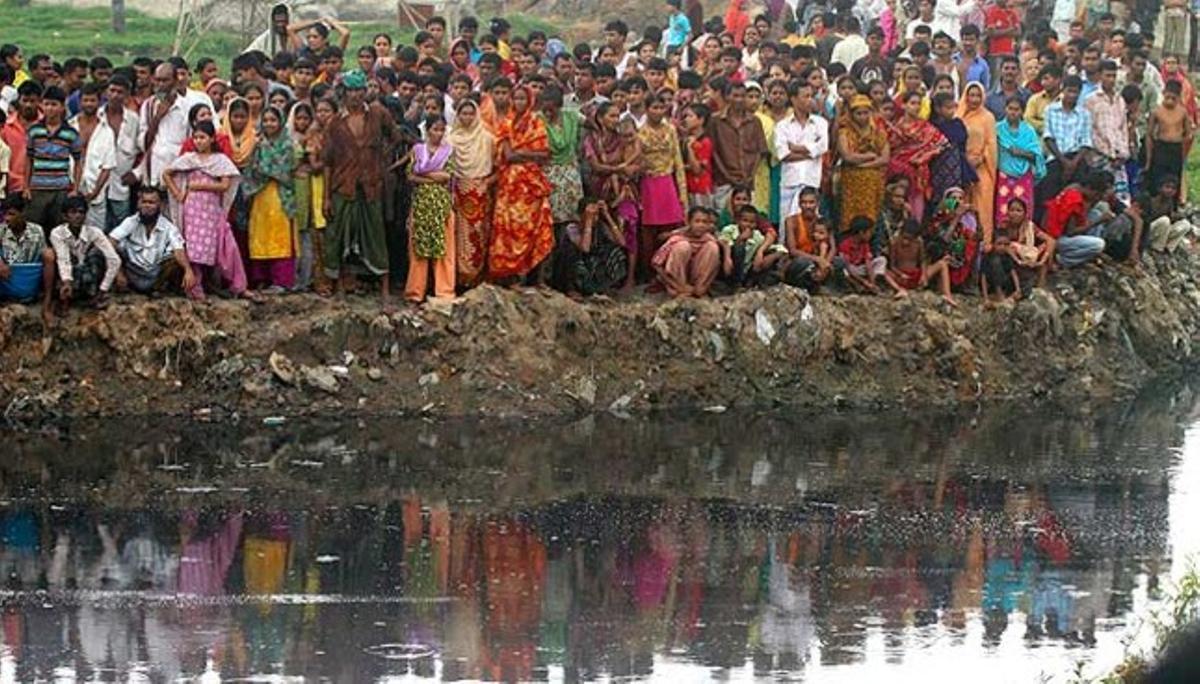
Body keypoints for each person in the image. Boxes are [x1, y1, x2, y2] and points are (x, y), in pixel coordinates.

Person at [322, 71, 395, 298]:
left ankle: (384, 290)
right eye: (351, 90)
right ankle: (341, 288)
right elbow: (327, 162)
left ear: (365, 92)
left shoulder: (378, 114)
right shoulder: (335, 124)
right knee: (340, 236)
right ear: (344, 93)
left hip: (370, 185)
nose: (355, 95)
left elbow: (395, 136)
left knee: (376, 235)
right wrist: (325, 197)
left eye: (359, 90)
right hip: (343, 186)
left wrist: (382, 160)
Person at [162, 120, 251, 301]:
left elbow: (226, 185)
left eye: (202, 137)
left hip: (212, 211)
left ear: (211, 139)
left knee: (227, 246)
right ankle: (195, 289)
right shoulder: (189, 159)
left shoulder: (220, 160)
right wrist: (178, 193)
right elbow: (166, 174)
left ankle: (239, 286)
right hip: (192, 211)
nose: (198, 141)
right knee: (194, 249)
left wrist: (199, 185)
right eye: (195, 138)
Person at [489, 85, 553, 284]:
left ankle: (537, 279)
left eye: (522, 99)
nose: (519, 102)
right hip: (510, 185)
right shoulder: (506, 123)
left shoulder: (536, 122)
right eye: (515, 98)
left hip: (532, 185)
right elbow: (507, 155)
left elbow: (545, 154)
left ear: (530, 101)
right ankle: (512, 277)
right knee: (509, 229)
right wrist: (527, 155)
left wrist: (521, 154)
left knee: (538, 228)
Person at [244, 107, 296, 292]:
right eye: (265, 120)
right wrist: (258, 149)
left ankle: (281, 281)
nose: (269, 124)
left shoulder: (288, 144)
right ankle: (261, 279)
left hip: (281, 196)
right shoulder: (256, 143)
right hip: (259, 195)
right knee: (260, 235)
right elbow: (251, 169)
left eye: (273, 120)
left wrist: (265, 153)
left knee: (279, 237)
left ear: (280, 122)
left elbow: (284, 169)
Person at [636, 93, 688, 279]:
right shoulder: (639, 132)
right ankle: (648, 272)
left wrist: (682, 191)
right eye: (654, 108)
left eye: (661, 108)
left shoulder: (671, 130)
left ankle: (668, 270)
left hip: (667, 182)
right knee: (648, 230)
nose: (658, 112)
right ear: (646, 109)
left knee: (670, 228)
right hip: (648, 182)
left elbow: (678, 161)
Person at [109, 187, 196, 295]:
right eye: (144, 202)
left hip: (155, 276)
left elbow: (178, 249)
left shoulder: (168, 227)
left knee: (175, 262)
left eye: (151, 202)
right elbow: (111, 241)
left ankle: (161, 291)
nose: (146, 206)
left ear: (160, 205)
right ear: (138, 204)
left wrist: (188, 270)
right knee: (104, 250)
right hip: (131, 272)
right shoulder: (130, 222)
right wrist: (118, 273)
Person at [446, 99, 494, 290]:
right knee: (459, 235)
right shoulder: (450, 139)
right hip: (458, 191)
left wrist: (485, 184)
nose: (467, 117)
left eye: (470, 114)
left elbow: (497, 167)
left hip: (481, 191)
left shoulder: (487, 138)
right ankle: (459, 279)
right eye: (463, 114)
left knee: (479, 234)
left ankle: (477, 279)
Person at [46, 195, 120, 316]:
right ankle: (63, 300)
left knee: (97, 254)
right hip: (69, 271)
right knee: (53, 257)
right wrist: (66, 282)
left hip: (87, 272)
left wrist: (103, 288)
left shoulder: (94, 232)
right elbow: (63, 259)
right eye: (73, 212)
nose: (78, 216)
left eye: (81, 212)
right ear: (65, 216)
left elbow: (114, 260)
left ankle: (96, 296)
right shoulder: (57, 233)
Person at [774, 81, 827, 239]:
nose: (809, 100)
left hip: (811, 181)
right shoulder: (783, 126)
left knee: (812, 227)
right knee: (787, 226)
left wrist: (796, 148)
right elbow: (783, 154)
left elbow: (823, 147)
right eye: (805, 96)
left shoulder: (820, 123)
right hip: (790, 182)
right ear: (794, 99)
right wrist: (811, 151)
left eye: (811, 96)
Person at [24, 86, 81, 230]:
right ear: (42, 105)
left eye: (54, 104)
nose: (50, 108)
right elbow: (28, 159)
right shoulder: (34, 130)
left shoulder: (71, 133)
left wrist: (75, 188)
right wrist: (26, 187)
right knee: (34, 228)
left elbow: (79, 161)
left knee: (59, 229)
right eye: (47, 104)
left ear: (62, 107)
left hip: (61, 189)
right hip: (38, 188)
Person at [887, 90, 947, 221]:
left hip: (917, 173)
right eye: (912, 103)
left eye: (919, 103)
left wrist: (921, 157)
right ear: (904, 105)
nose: (916, 106)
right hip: (897, 174)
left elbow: (941, 144)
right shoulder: (896, 127)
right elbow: (890, 148)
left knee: (916, 208)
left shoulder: (926, 127)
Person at [707, 80, 767, 211]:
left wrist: (750, 175)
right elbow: (713, 152)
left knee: (747, 218)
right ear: (727, 97)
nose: (739, 100)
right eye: (735, 96)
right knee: (723, 219)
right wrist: (727, 175)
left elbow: (760, 151)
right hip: (724, 181)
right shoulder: (716, 121)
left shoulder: (755, 121)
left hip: (748, 181)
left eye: (742, 96)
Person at [554, 197, 628, 296]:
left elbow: (622, 242)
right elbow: (585, 248)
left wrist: (607, 215)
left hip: (593, 266)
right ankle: (572, 289)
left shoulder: (600, 226)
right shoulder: (572, 228)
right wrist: (588, 221)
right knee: (571, 252)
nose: (594, 217)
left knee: (615, 251)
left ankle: (602, 287)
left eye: (596, 214)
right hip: (578, 266)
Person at [837, 94, 889, 235]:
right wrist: (869, 156)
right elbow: (847, 156)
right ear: (852, 114)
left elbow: (885, 158)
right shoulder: (845, 132)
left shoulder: (878, 132)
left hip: (873, 183)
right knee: (849, 216)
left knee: (872, 215)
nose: (862, 116)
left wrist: (862, 165)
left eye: (866, 113)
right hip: (851, 183)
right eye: (858, 113)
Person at [956, 81, 998, 250]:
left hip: (981, 168)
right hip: (961, 167)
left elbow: (991, 143)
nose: (974, 99)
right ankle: (962, 246)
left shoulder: (988, 117)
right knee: (963, 206)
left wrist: (981, 158)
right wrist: (963, 159)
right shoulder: (959, 115)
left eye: (978, 95)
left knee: (982, 207)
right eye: (971, 95)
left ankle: (984, 245)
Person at [0, 195, 55, 317]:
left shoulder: (37, 230)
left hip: (28, 284)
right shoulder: (1, 230)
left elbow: (44, 256)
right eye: (5, 214)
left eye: (11, 214)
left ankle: (46, 306)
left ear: (22, 213)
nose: (7, 218)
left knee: (49, 254)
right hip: (6, 282)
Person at [995, 96, 1045, 226]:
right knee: (1003, 207)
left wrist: (1019, 152)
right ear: (1005, 109)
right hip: (1004, 175)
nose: (1013, 112)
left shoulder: (1028, 131)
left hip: (1023, 176)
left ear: (1022, 111)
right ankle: (1003, 241)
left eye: (1017, 109)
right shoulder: (998, 129)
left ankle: (1024, 240)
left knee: (1024, 208)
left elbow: (1037, 155)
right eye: (1010, 108)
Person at [928, 92, 978, 220]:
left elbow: (961, 140)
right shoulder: (931, 126)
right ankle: (937, 228)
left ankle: (955, 225)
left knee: (955, 198)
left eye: (953, 107)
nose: (952, 111)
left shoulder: (957, 124)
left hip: (956, 168)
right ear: (938, 109)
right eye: (948, 108)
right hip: (938, 169)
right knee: (938, 200)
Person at [653, 206, 720, 297]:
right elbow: (657, 264)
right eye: (697, 221)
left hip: (695, 279)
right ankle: (679, 288)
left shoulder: (709, 239)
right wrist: (675, 285)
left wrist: (706, 285)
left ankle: (699, 286)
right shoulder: (677, 238)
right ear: (689, 222)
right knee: (683, 246)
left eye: (704, 222)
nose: (701, 225)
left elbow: (715, 266)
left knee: (712, 247)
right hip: (676, 281)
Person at [888, 217, 957, 306]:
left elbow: (922, 261)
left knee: (942, 264)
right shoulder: (894, 243)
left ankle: (948, 295)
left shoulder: (919, 243)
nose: (906, 242)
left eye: (910, 239)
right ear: (901, 233)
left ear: (915, 238)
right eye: (904, 238)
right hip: (901, 278)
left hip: (916, 275)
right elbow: (892, 266)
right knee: (885, 272)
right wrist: (900, 274)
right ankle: (899, 290)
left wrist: (923, 275)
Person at [718, 203, 786, 287]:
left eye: (752, 222)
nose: (748, 225)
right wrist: (740, 239)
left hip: (748, 270)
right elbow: (724, 242)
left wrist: (761, 253)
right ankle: (734, 284)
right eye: (745, 221)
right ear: (738, 221)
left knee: (773, 264)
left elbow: (781, 249)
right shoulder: (729, 230)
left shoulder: (756, 235)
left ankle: (751, 282)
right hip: (730, 268)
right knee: (739, 247)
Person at [925, 187, 979, 290]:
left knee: (972, 246)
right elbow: (944, 239)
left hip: (957, 254)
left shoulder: (966, 218)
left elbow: (976, 236)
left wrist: (977, 216)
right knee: (939, 248)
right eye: (954, 198)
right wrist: (956, 217)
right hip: (940, 251)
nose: (957, 201)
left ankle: (965, 285)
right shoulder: (939, 216)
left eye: (960, 198)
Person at [839, 214, 905, 297]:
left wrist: (871, 282)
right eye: (869, 232)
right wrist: (864, 282)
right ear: (861, 233)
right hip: (851, 270)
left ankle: (897, 289)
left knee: (881, 260)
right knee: (843, 269)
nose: (871, 234)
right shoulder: (845, 245)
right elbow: (848, 266)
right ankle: (858, 287)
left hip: (860, 268)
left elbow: (868, 263)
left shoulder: (865, 244)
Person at [1146, 80, 1193, 192]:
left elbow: (1189, 134)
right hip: (1161, 147)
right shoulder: (1157, 112)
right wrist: (1149, 158)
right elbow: (1149, 135)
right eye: (1168, 97)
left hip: (1176, 148)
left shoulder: (1183, 112)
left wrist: (1184, 154)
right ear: (1163, 93)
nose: (1170, 101)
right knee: (1158, 177)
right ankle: (1156, 203)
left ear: (1178, 97)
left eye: (1173, 98)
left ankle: (1173, 205)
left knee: (1175, 178)